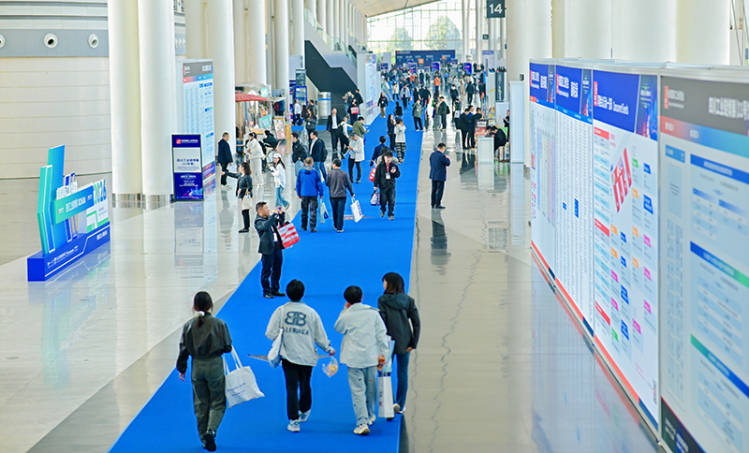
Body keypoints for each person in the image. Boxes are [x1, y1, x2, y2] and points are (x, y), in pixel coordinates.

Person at [265, 280, 335, 433]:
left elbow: (269, 333)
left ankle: (293, 420)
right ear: (303, 293)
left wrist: (282, 336)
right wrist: (328, 348)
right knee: (305, 384)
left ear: (287, 293)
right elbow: (320, 336)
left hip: (288, 356)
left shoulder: (281, 311)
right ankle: (305, 409)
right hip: (307, 356)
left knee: (291, 387)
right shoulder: (311, 313)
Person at [177, 291, 233, 452]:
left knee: (200, 403)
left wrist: (182, 368)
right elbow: (228, 347)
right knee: (218, 402)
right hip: (214, 365)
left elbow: (183, 348)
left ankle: (203, 438)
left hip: (197, 367)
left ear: (194, 306)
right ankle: (211, 430)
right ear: (211, 305)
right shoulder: (219, 324)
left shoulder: (188, 326)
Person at [334, 286, 389, 435]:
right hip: (371, 357)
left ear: (346, 300)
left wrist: (344, 310)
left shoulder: (346, 316)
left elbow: (338, 328)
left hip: (354, 359)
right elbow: (381, 334)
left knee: (358, 391)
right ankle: (370, 415)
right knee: (371, 388)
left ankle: (362, 422)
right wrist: (383, 354)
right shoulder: (373, 313)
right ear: (362, 297)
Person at [377, 272, 420, 415]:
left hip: (387, 341)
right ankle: (400, 404)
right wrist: (414, 342)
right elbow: (416, 323)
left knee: (385, 372)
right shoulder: (408, 300)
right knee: (403, 373)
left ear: (389, 284)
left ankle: (389, 402)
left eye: (384, 282)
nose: (383, 284)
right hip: (405, 341)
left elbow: (381, 322)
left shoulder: (382, 300)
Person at [254, 202, 286, 298]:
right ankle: (266, 291)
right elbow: (266, 226)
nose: (268, 210)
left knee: (277, 269)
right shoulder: (258, 221)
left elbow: (279, 223)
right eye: (266, 208)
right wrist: (273, 215)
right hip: (267, 249)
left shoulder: (269, 219)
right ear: (260, 210)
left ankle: (275, 289)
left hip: (277, 247)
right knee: (266, 271)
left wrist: (281, 215)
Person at [296, 157, 324, 232]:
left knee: (304, 211)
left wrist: (298, 193)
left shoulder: (301, 172)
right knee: (313, 211)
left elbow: (298, 184)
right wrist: (321, 193)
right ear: (312, 163)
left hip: (304, 193)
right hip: (313, 194)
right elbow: (319, 184)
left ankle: (304, 226)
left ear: (305, 163)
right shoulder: (315, 172)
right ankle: (312, 227)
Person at [326, 158, 354, 233]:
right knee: (340, 212)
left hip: (333, 195)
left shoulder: (330, 173)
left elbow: (327, 183)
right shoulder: (344, 174)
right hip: (342, 195)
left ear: (334, 164)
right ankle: (340, 227)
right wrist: (352, 192)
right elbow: (349, 184)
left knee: (334, 211)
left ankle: (335, 225)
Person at [226, 161, 253, 232]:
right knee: (243, 211)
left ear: (243, 168)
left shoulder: (247, 177)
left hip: (245, 197)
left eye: (240, 167)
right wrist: (226, 173)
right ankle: (246, 226)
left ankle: (246, 227)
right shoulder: (241, 176)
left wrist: (242, 189)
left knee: (245, 211)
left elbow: (250, 187)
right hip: (241, 196)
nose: (239, 168)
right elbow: (234, 175)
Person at [373, 150, 400, 220]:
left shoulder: (394, 166)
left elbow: (398, 175)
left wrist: (394, 173)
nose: (388, 159)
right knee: (383, 200)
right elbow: (376, 176)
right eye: (387, 157)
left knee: (392, 200)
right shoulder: (380, 166)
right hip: (383, 186)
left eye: (390, 158)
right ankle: (383, 209)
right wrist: (375, 185)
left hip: (391, 186)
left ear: (392, 158)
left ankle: (390, 214)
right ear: (384, 157)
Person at [429, 142, 450, 209]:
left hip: (433, 175)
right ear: (442, 148)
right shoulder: (442, 156)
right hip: (440, 176)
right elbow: (447, 163)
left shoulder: (432, 154)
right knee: (440, 190)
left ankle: (433, 203)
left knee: (433, 190)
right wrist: (447, 158)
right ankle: (438, 204)